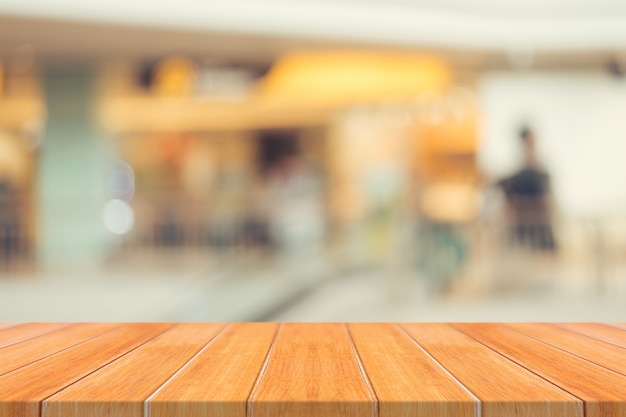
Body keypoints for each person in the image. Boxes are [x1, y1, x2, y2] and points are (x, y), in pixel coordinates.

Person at [497, 126, 557, 252]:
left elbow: (548, 201)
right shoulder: (517, 176)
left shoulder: (542, 173)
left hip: (541, 230)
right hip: (523, 230)